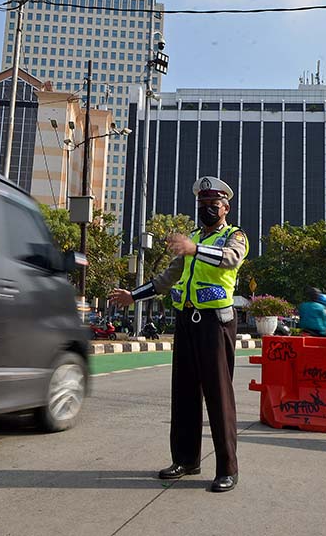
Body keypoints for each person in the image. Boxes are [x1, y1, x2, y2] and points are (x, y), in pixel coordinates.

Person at [109, 175, 248, 493]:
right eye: (202, 205)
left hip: (216, 323)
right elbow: (166, 278)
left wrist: (195, 248)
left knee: (218, 395)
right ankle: (186, 460)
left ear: (225, 207)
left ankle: (228, 468)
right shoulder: (194, 241)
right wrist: (133, 296)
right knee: (184, 393)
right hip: (186, 322)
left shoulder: (234, 236)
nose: (206, 210)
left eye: (212, 205)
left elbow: (231, 260)